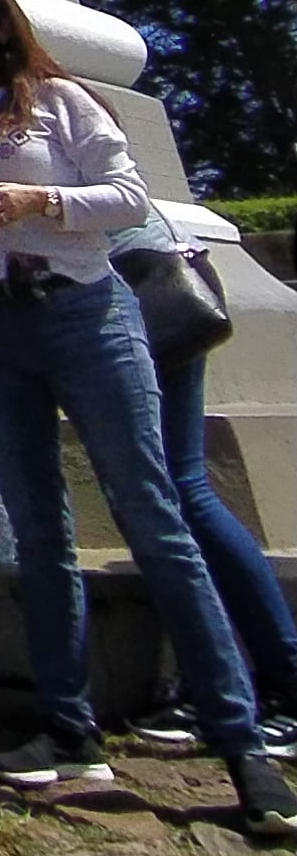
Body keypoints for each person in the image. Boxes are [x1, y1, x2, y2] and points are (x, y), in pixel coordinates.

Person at [0, 0, 295, 840]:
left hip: (84, 313)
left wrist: (44, 200)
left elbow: (126, 200)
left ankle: (242, 742)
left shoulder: (60, 102)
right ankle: (68, 727)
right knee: (40, 529)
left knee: (154, 518)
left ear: (0, 25)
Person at [109, 203, 297, 760]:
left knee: (178, 489)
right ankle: (221, 682)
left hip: (147, 285)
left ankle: (281, 679)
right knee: (168, 490)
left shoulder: (41, 116)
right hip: (137, 278)